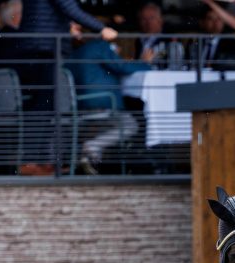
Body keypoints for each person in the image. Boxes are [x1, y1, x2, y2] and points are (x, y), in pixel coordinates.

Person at [14, 0, 118, 175]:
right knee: (42, 108)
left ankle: (36, 162)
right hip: (45, 49)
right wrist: (101, 28)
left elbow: (51, 11)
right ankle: (30, 162)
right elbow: (68, 7)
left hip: (36, 47)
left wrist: (66, 26)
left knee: (42, 106)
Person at [67, 36, 153, 173]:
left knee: (106, 128)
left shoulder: (75, 52)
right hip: (102, 102)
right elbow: (121, 66)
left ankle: (91, 165)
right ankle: (93, 147)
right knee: (131, 126)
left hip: (81, 104)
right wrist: (145, 63)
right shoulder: (99, 46)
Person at [188, 4, 235, 71]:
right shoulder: (195, 43)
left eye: (219, 19)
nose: (215, 23)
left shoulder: (233, 45)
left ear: (224, 22)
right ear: (202, 22)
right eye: (210, 19)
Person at [135, 2, 177, 69]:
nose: (148, 22)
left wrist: (152, 57)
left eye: (151, 18)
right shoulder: (139, 40)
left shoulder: (168, 38)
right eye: (144, 19)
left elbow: (170, 56)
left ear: (160, 20)